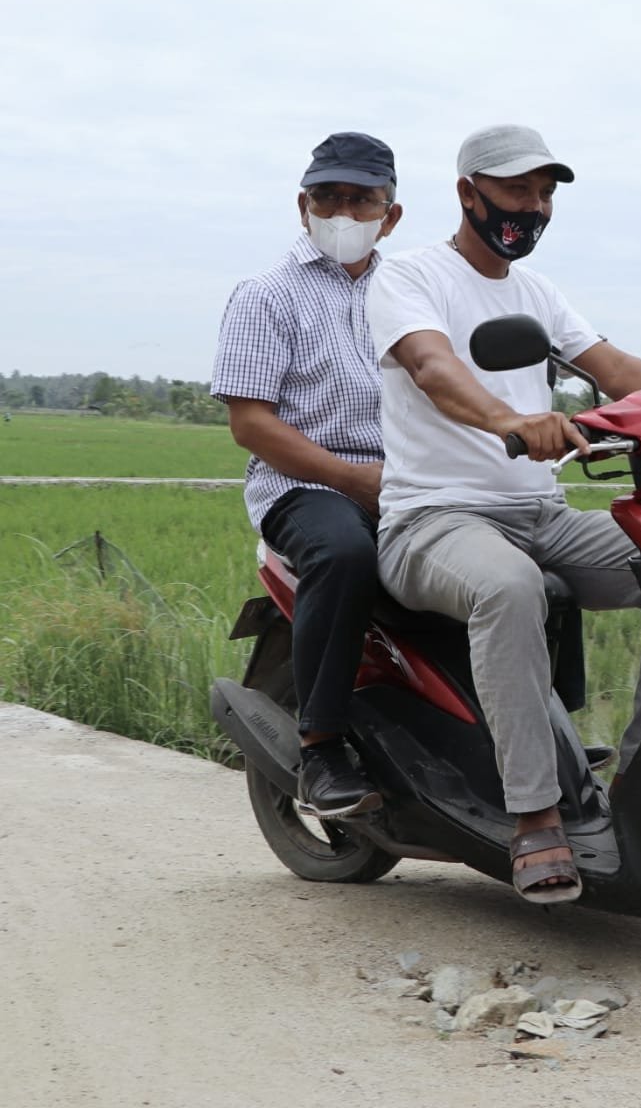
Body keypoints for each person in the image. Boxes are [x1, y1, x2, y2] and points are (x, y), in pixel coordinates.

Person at [366, 124, 641, 903]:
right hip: (432, 521)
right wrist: (505, 421)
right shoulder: (408, 278)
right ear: (468, 194)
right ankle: (534, 815)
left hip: (540, 512)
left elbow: (614, 367)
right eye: (517, 190)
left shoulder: (537, 293)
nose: (533, 206)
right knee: (509, 588)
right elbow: (431, 365)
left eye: (545, 192)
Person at [212, 132, 402, 819]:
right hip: (304, 486)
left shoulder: (413, 297)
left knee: (527, 543)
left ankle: (537, 730)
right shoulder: (267, 296)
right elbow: (251, 424)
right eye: (328, 198)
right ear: (303, 206)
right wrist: (354, 481)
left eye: (361, 200)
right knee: (345, 551)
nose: (343, 213)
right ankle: (321, 746)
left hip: (405, 481)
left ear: (392, 213)